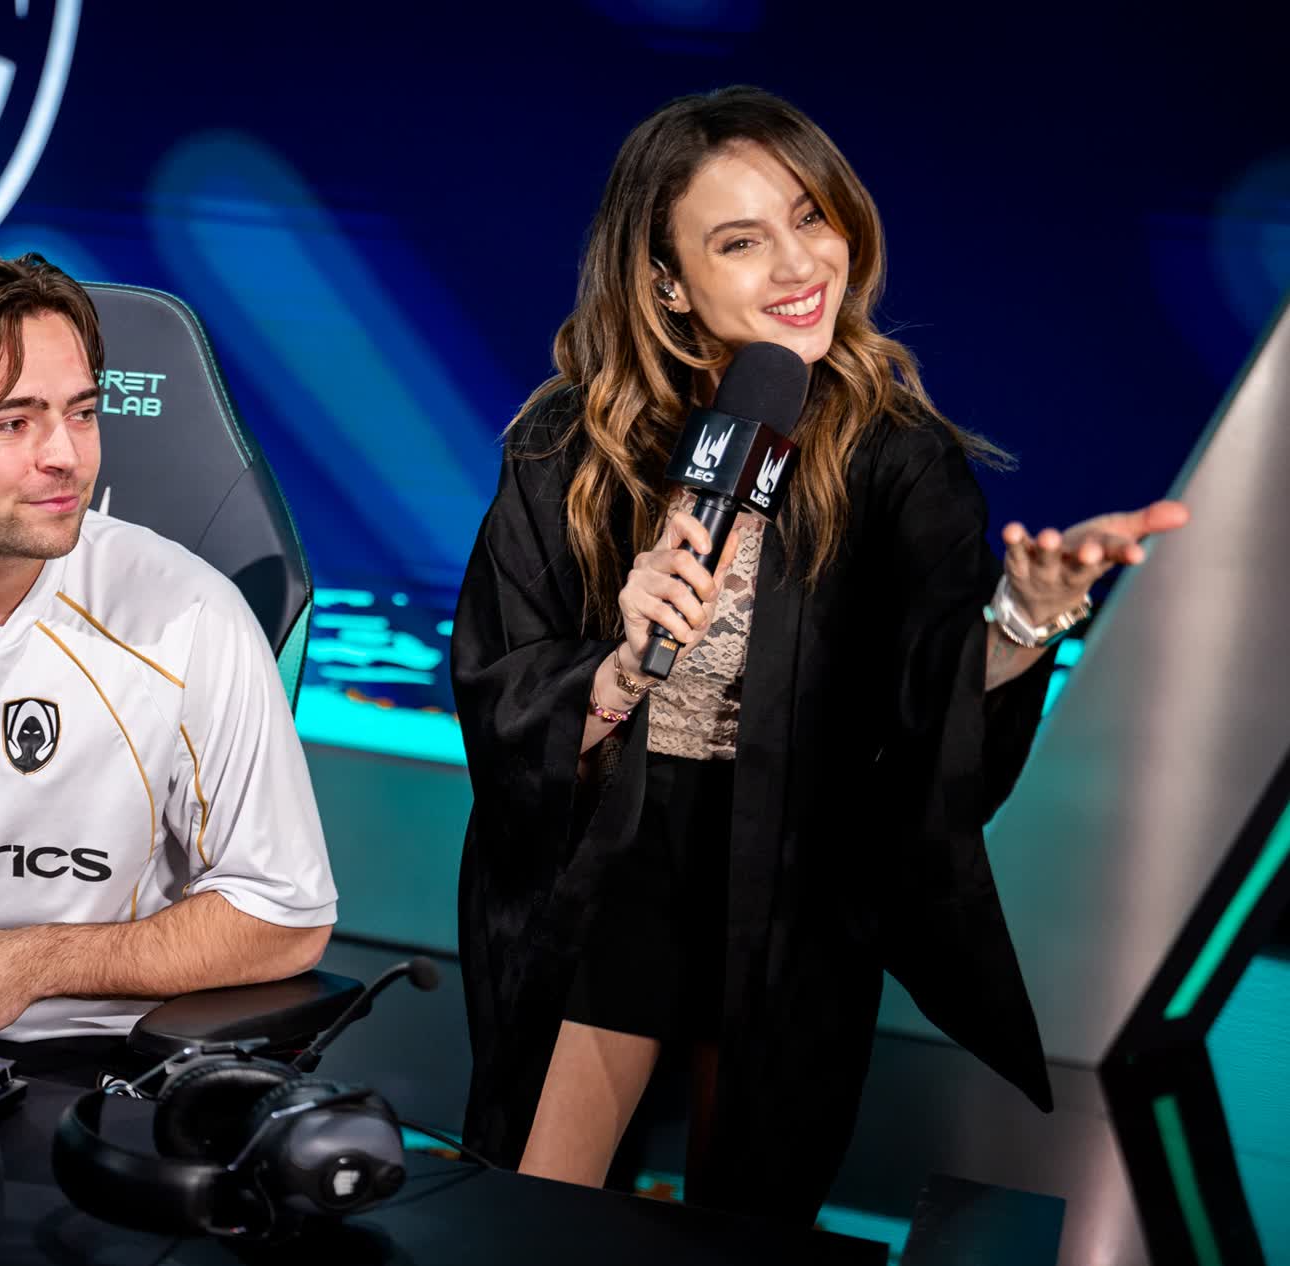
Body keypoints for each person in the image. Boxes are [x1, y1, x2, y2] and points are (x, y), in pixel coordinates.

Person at [450, 86, 1189, 1221]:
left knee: (746, 1215)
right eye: (740, 241)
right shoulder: (569, 442)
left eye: (810, 218)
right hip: (609, 855)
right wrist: (612, 669)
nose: (799, 265)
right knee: (522, 1210)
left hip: (787, 875)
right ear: (666, 279)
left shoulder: (900, 459)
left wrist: (1024, 617)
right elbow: (499, 675)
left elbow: (924, 704)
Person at [0, 251, 337, 1051]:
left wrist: (27, 966)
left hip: (71, 1067)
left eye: (81, 413)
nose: (67, 456)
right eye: (13, 423)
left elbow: (285, 916)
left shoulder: (187, 615)